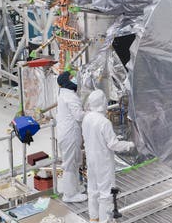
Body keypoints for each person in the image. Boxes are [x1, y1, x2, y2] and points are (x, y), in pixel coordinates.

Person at [82, 90, 134, 223]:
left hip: (91, 159)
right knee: (106, 193)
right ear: (102, 103)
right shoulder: (104, 122)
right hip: (103, 162)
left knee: (93, 189)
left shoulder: (87, 118)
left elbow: (93, 137)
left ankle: (94, 218)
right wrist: (128, 144)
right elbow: (113, 145)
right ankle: (105, 220)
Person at [55, 71, 87, 203]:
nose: (74, 79)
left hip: (66, 133)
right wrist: (92, 113)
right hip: (70, 134)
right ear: (67, 81)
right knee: (70, 164)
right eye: (71, 77)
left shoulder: (63, 94)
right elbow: (79, 116)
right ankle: (69, 195)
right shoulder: (70, 97)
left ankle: (74, 188)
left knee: (73, 162)